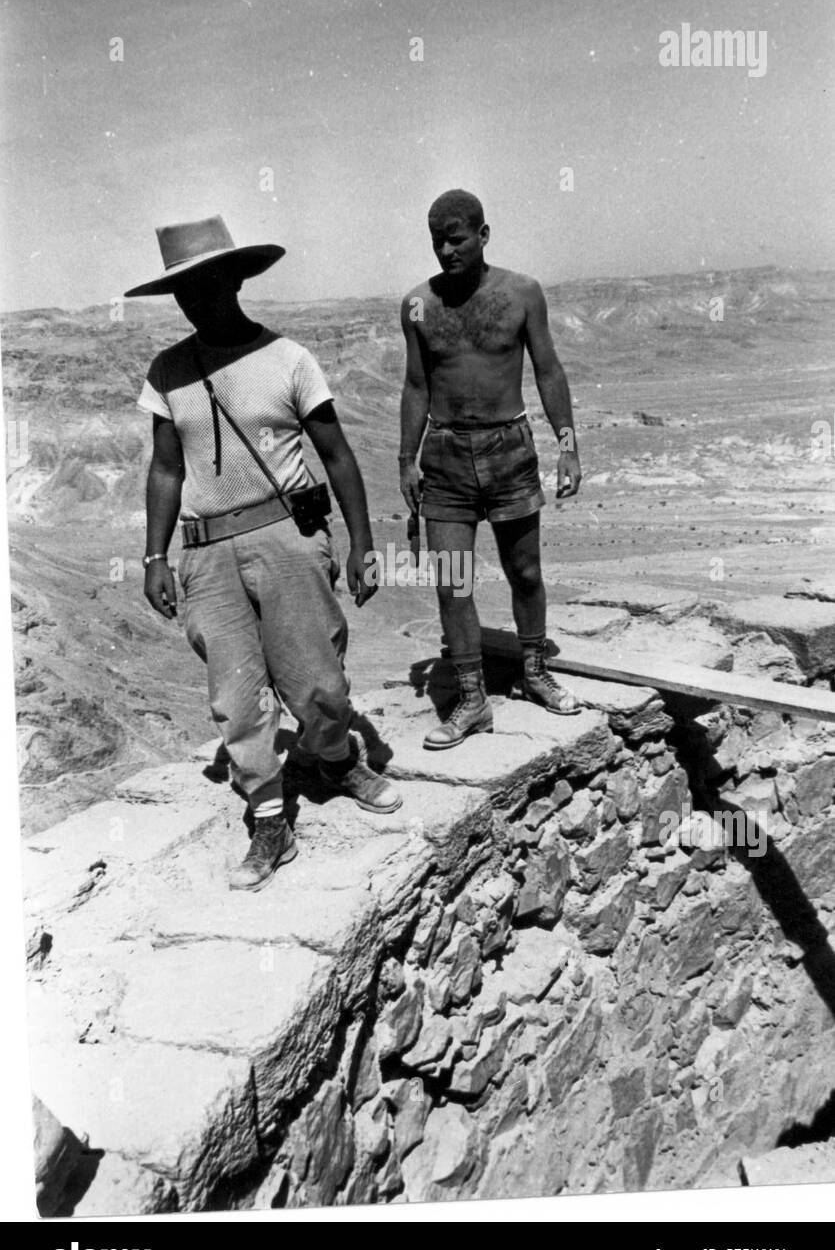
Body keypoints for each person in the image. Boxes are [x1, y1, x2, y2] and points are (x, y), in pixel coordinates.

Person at [128, 214, 401, 892]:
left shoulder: (288, 359)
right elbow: (165, 470)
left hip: (288, 537)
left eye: (207, 281)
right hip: (206, 555)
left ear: (234, 277)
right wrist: (153, 557)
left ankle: (336, 761)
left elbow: (335, 453)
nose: (197, 296)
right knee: (235, 695)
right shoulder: (168, 371)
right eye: (183, 288)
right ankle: (270, 817)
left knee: (316, 676)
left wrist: (364, 542)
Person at [399, 189, 583, 751]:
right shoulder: (417, 305)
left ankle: (533, 668)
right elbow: (416, 385)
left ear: (483, 234)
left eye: (456, 238)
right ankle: (472, 699)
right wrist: (406, 458)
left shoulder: (523, 293)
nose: (446, 250)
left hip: (509, 449)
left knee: (525, 571)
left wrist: (567, 442)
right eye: (437, 240)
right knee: (453, 581)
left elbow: (548, 368)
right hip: (446, 456)